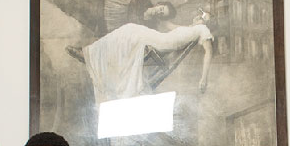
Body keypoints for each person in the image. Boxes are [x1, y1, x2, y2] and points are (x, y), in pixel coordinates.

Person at [81, 10, 213, 103]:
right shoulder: (190, 28)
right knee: (129, 29)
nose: (198, 16)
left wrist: (204, 78)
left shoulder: (203, 30)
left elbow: (208, 53)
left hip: (164, 42)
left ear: (207, 21)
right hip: (162, 38)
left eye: (202, 15)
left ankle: (92, 54)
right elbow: (168, 25)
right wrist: (154, 11)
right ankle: (94, 53)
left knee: (129, 29)